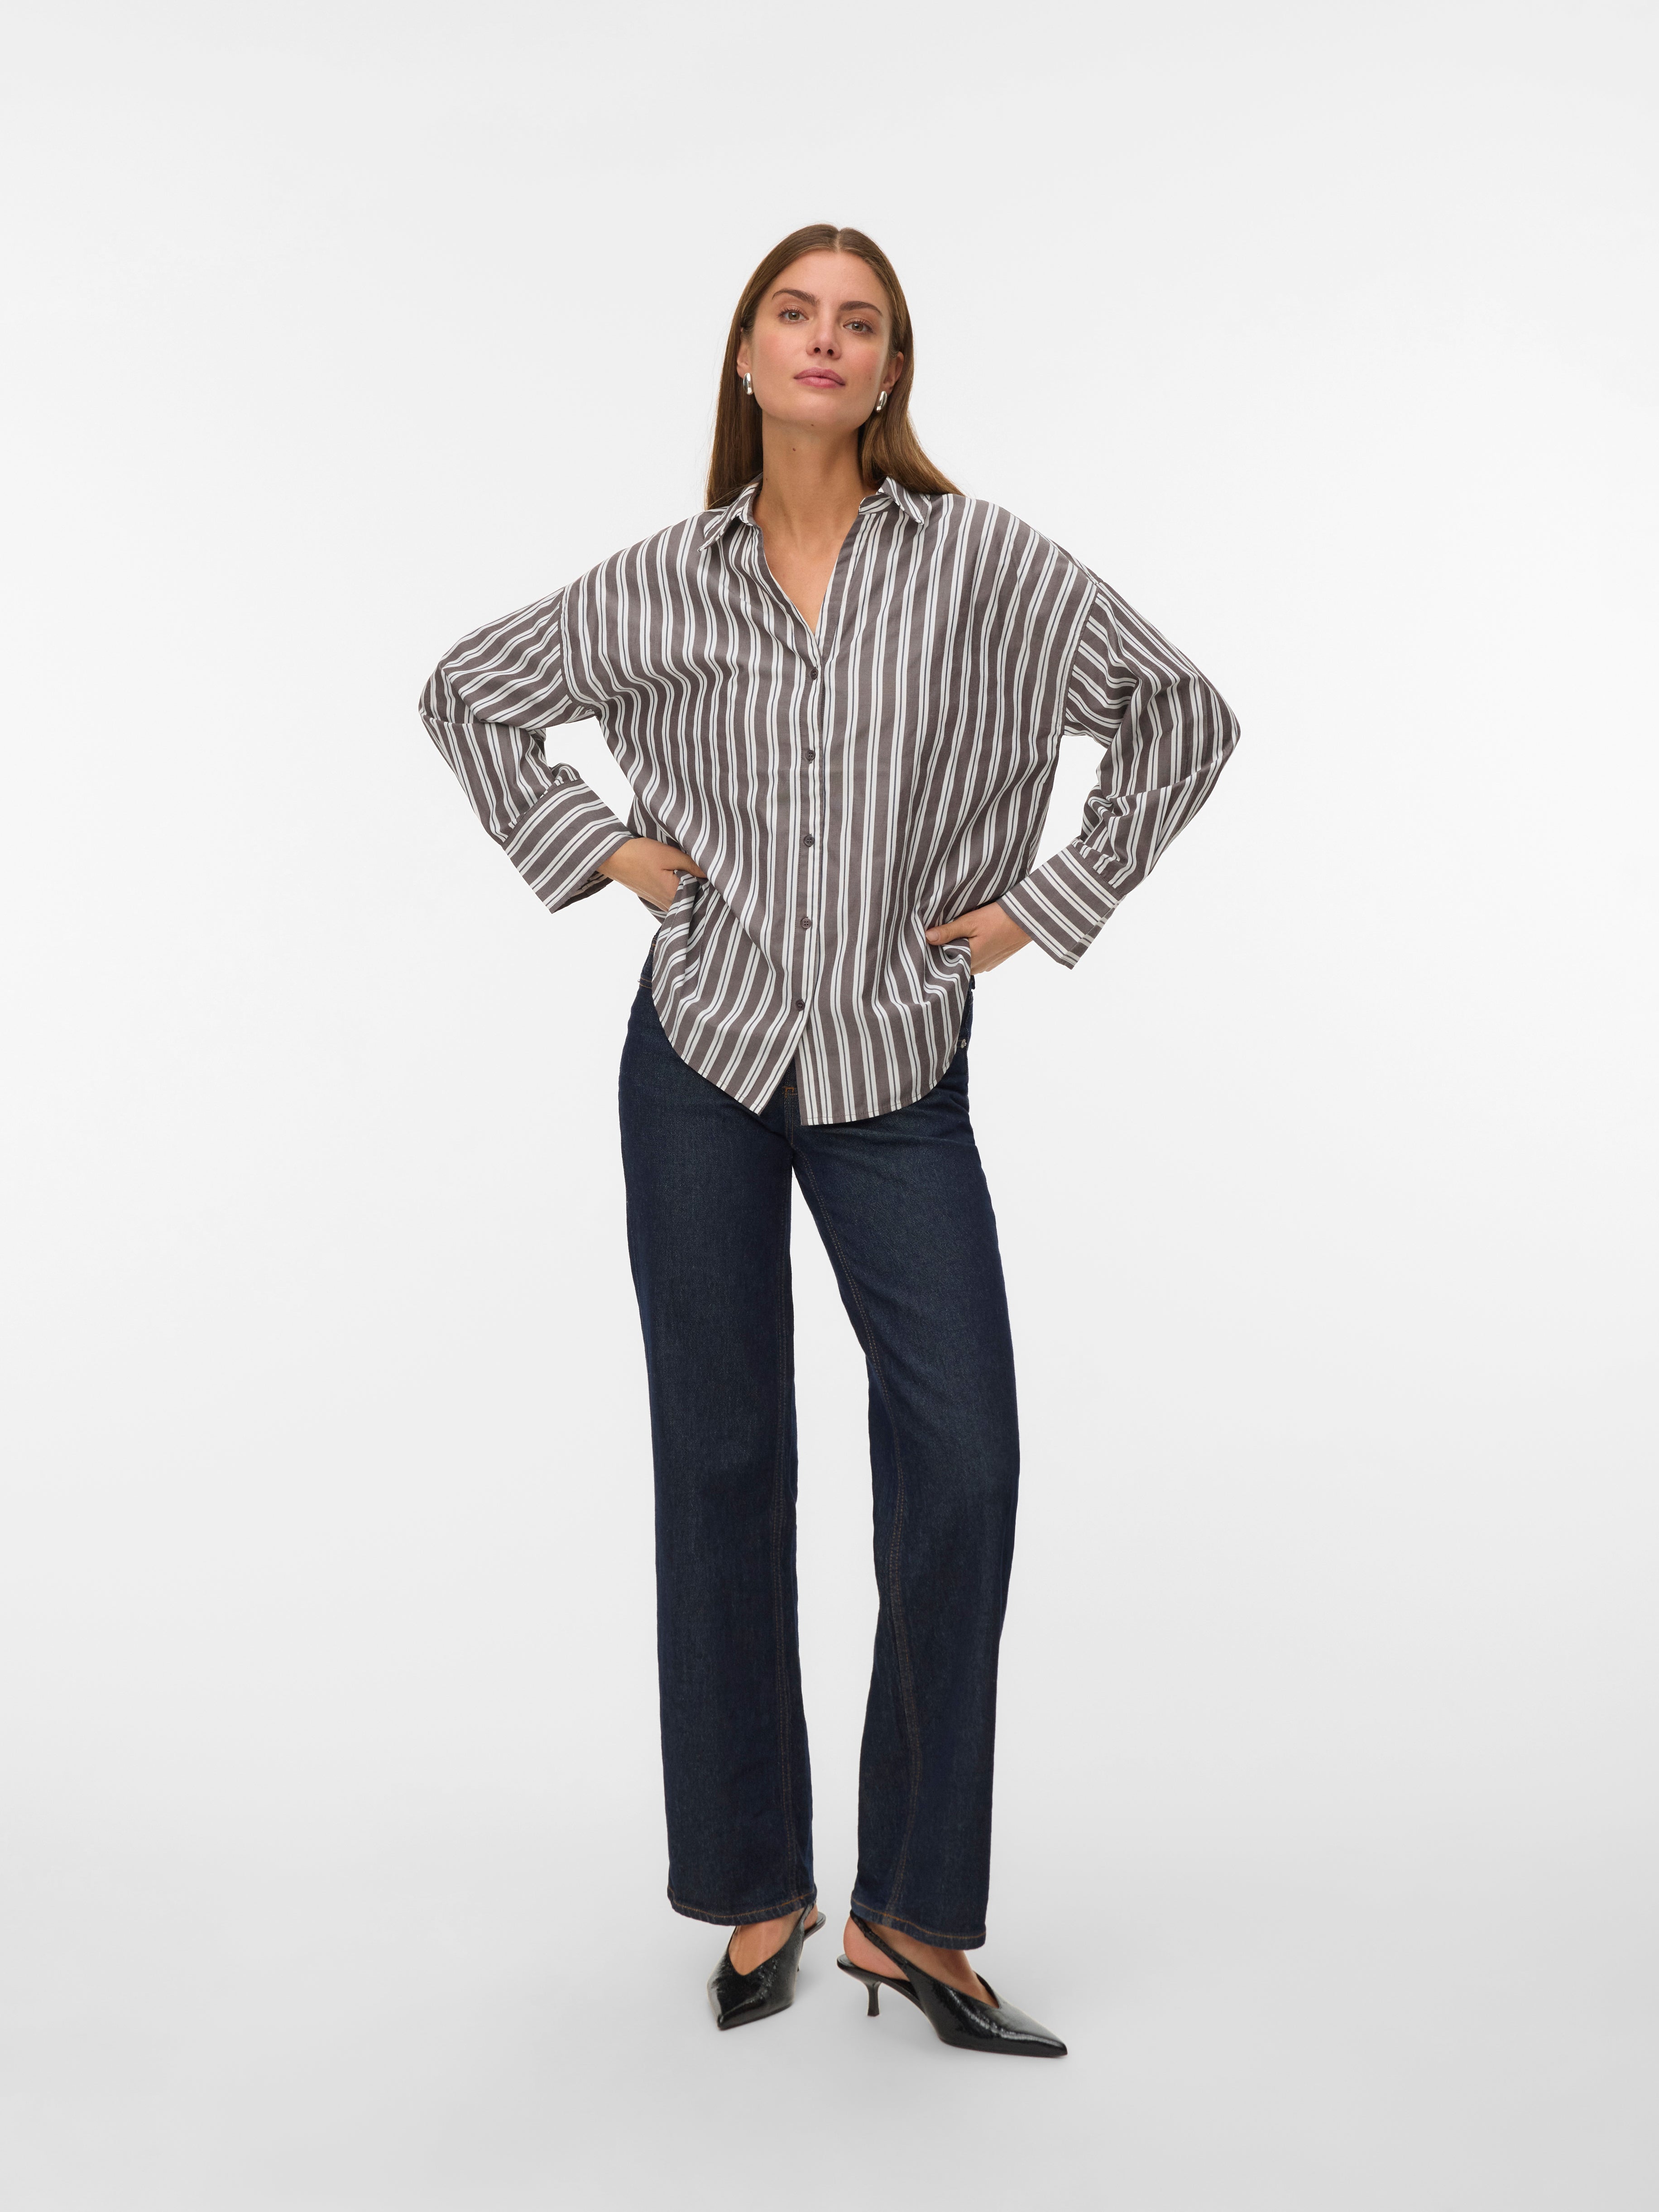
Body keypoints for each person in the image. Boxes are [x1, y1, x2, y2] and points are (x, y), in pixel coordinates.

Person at [419, 222, 1239, 2057]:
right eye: (794, 312)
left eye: (858, 322)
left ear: (891, 372)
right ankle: (757, 1884)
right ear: (745, 352)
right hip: (697, 1058)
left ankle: (913, 1915)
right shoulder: (663, 581)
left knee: (962, 1457)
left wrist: (1045, 905)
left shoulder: (986, 566)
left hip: (893, 1064)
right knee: (720, 1463)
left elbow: (1184, 716)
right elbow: (470, 693)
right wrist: (604, 852)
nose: (824, 340)